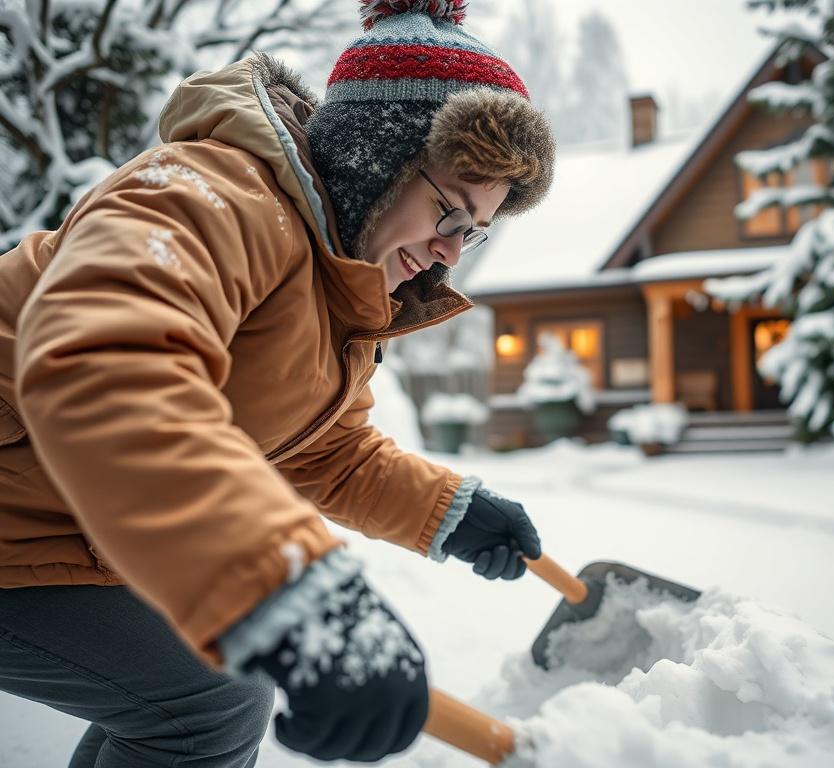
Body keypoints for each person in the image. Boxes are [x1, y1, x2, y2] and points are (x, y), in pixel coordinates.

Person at [0, 1, 555, 764]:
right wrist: (291, 593)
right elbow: (107, 362)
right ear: (376, 158)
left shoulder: (332, 289)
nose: (450, 254)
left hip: (53, 525)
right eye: (450, 214)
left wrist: (448, 512)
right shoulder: (208, 194)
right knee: (208, 700)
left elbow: (328, 452)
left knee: (195, 696)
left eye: (474, 232)